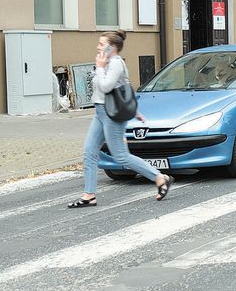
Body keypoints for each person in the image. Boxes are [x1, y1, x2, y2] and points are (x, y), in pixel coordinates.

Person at [68, 30, 173, 208]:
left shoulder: (115, 63)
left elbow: (107, 86)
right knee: (89, 152)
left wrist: (100, 68)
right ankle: (89, 195)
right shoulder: (108, 62)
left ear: (112, 47)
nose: (98, 47)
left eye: (101, 44)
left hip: (112, 115)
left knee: (121, 156)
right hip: (100, 112)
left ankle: (160, 177)